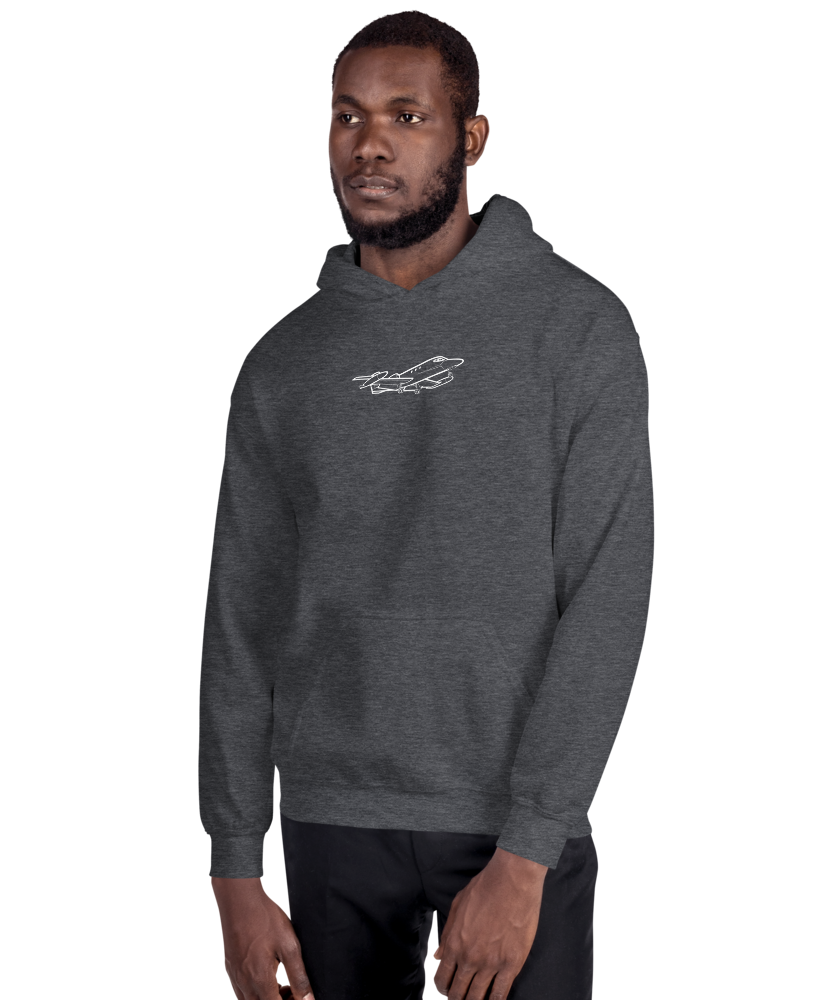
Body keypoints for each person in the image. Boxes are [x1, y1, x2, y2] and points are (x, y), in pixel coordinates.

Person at [198, 10, 653, 1000]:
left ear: (471, 139)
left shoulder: (579, 328)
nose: (369, 143)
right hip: (327, 826)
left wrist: (528, 850)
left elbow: (608, 598)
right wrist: (233, 864)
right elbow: (240, 618)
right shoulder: (282, 363)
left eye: (406, 116)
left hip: (510, 835)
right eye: (346, 116)